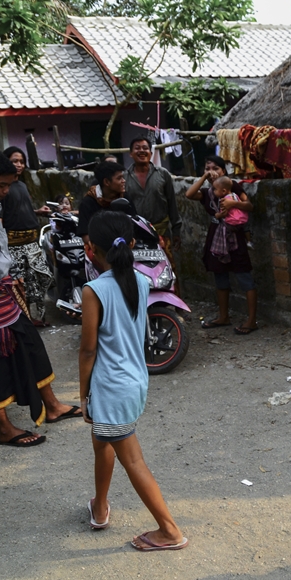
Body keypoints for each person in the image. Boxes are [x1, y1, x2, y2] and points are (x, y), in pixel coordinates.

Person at [0, 151, 82, 446]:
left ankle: (53, 406)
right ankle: (4, 428)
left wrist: (12, 274)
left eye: (9, 185)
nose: (6, 191)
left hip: (4, 287)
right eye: (1, 185)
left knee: (31, 345)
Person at [79, 211, 187, 551]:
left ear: (88, 249)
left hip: (111, 388)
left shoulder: (93, 291)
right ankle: (99, 507)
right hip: (133, 382)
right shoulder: (141, 281)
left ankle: (169, 531)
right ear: (134, 245)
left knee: (133, 459)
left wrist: (83, 396)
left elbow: (87, 350)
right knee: (102, 441)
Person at [185, 156, 258, 334]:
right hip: (216, 236)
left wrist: (234, 203)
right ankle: (223, 316)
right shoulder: (208, 192)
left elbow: (249, 205)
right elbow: (189, 195)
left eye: (216, 168)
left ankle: (251, 320)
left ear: (224, 171)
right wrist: (204, 177)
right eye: (207, 167)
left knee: (244, 275)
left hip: (234, 236)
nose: (212, 171)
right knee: (220, 275)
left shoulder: (232, 186)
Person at [2, 147, 53, 326]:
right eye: (14, 161)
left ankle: (38, 317)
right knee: (20, 284)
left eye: (21, 161)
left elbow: (21, 210)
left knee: (41, 279)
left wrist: (38, 211)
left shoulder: (22, 185)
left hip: (32, 241)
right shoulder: (3, 189)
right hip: (14, 244)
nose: (19, 165)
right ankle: (25, 320)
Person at [124, 137, 180, 246]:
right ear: (131, 153)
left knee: (165, 262)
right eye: (137, 148)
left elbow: (172, 203)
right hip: (135, 234)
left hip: (161, 232)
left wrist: (176, 230)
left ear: (150, 152)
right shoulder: (124, 177)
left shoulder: (163, 174)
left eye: (145, 148)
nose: (141, 151)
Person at [77, 161, 136, 243]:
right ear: (107, 182)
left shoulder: (125, 198)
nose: (124, 181)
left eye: (123, 177)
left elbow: (135, 226)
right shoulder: (88, 202)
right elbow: (85, 235)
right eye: (119, 178)